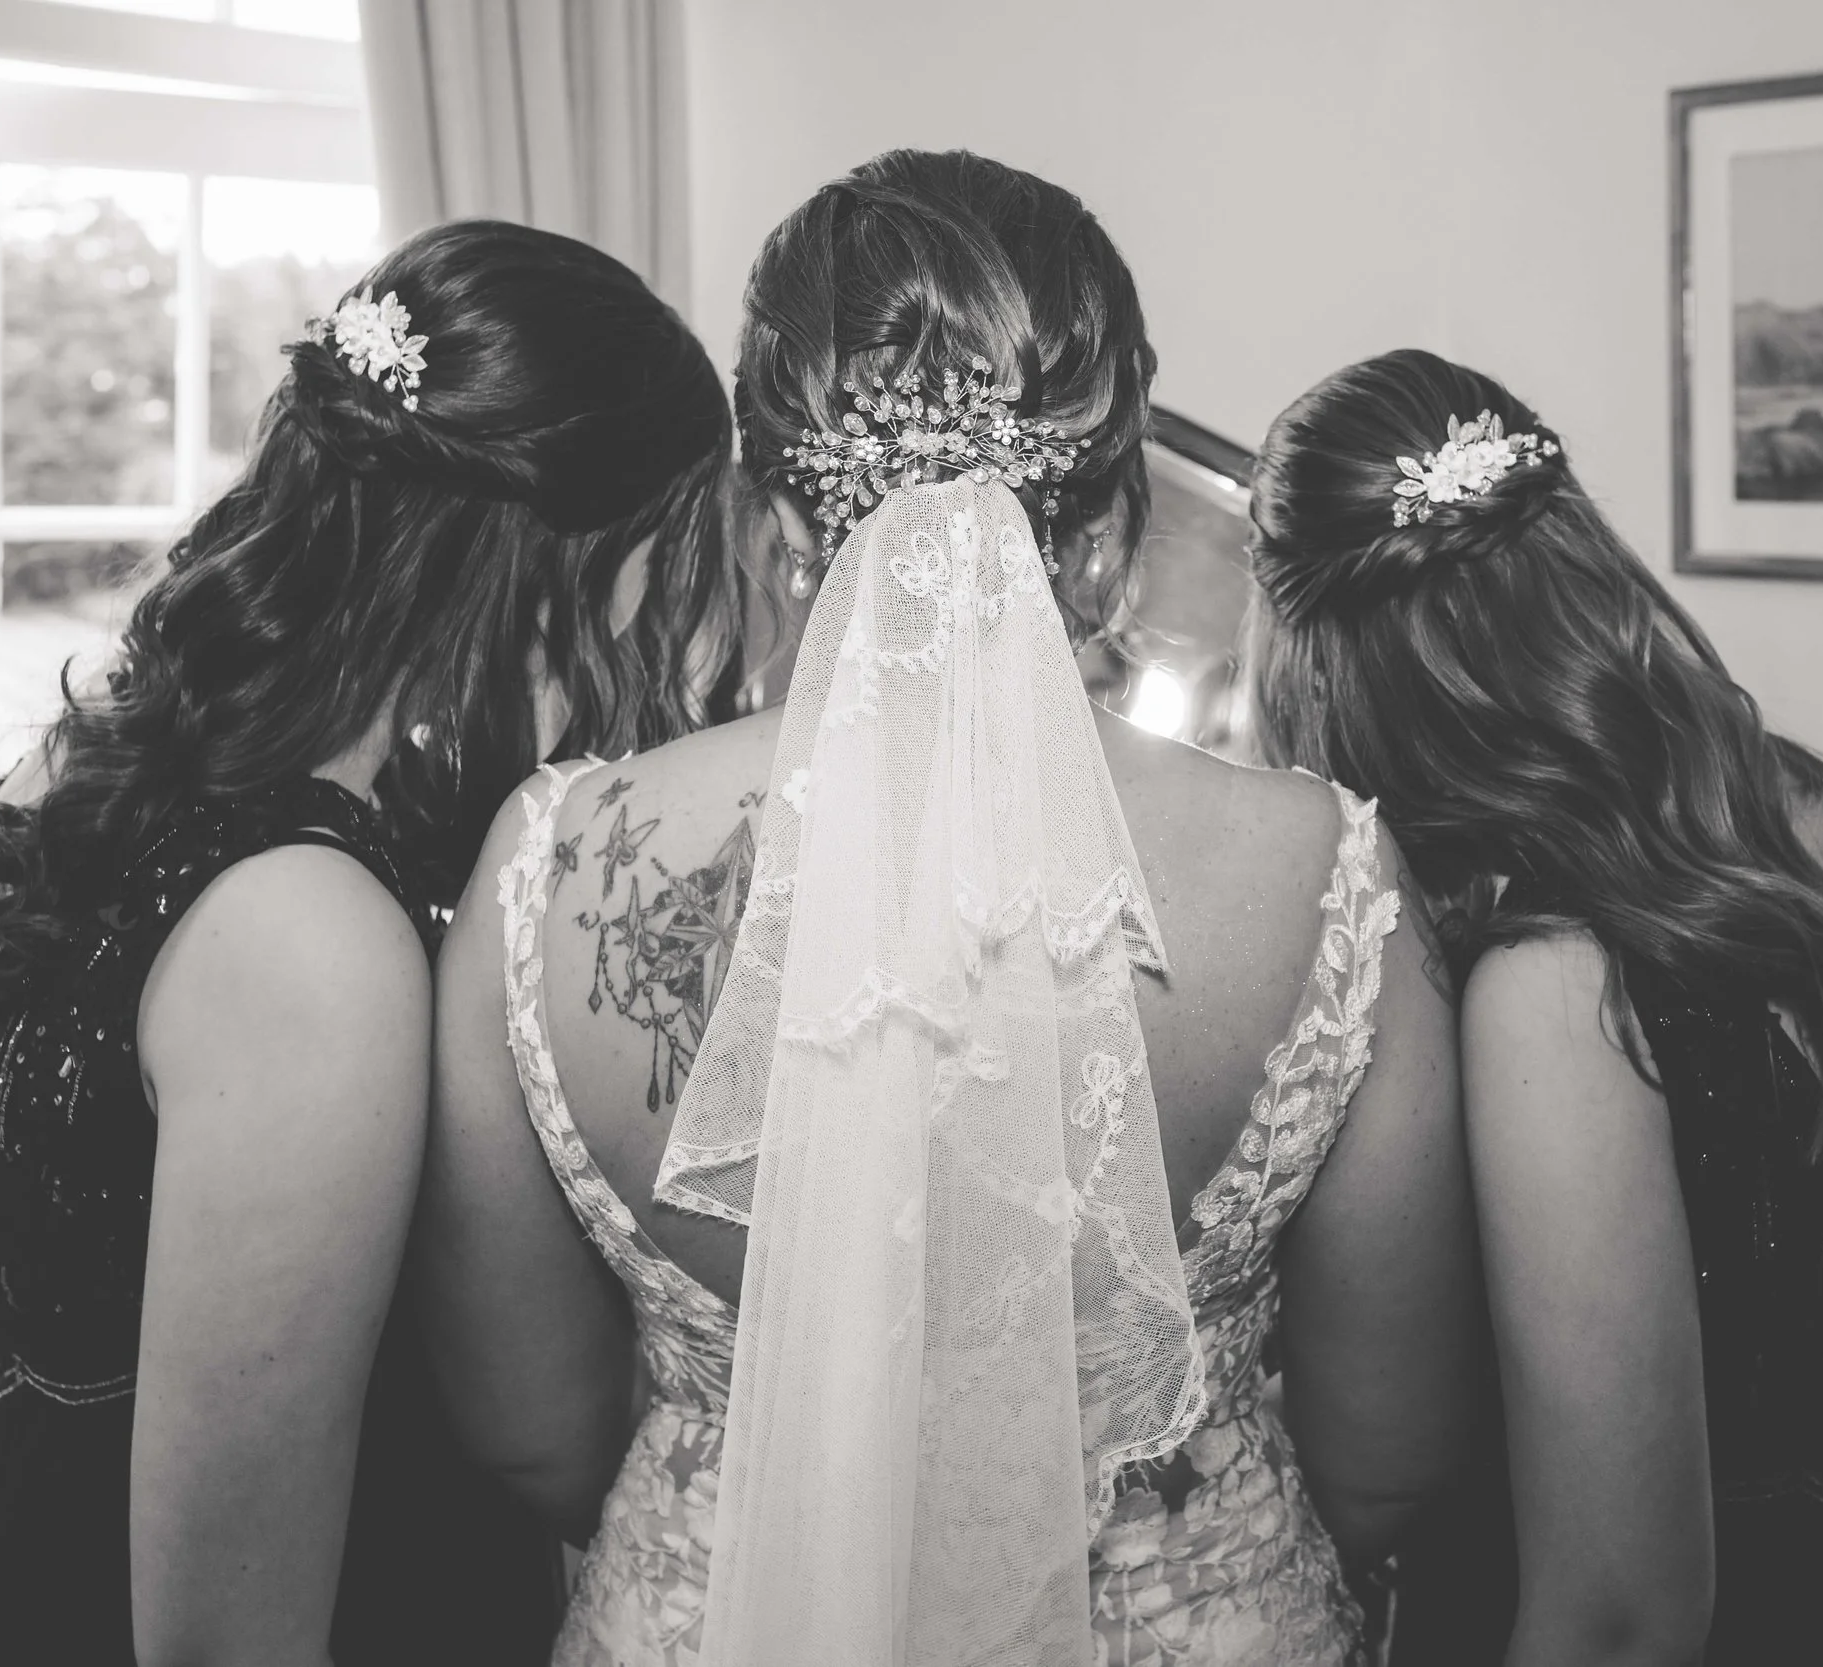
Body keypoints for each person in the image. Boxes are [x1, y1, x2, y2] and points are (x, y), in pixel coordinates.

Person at [416, 151, 1486, 1667]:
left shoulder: (548, 861)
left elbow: (532, 1430)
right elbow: (1392, 1446)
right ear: (1111, 536)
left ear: (779, 527)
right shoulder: (1326, 876)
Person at [0, 218, 738, 1667]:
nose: (670, 622)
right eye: (670, 557)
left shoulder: (71, 777)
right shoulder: (310, 947)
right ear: (564, 559)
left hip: (23, 1559)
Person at [1241, 347, 1823, 1666]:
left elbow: (1621, 1619)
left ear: (1318, 652)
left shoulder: (1554, 987)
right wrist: (1744, 1474)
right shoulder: (1803, 816)